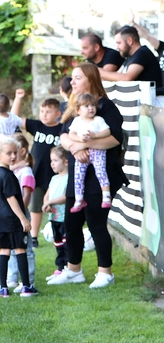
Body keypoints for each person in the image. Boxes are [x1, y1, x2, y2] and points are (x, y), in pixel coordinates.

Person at [49, 63, 124, 289]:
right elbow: (62, 135)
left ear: (90, 79)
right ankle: (74, 270)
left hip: (99, 177)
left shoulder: (105, 107)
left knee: (95, 223)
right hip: (77, 174)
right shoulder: (74, 106)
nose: (72, 82)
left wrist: (86, 144)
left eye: (77, 78)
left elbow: (115, 138)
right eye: (72, 78)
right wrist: (74, 148)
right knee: (72, 224)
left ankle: (105, 272)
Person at [12, 92, 61, 246]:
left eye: (49, 111)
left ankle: (59, 234)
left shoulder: (62, 129)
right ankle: (33, 237)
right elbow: (14, 119)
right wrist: (18, 99)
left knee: (56, 207)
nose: (44, 114)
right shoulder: (37, 126)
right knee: (36, 207)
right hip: (38, 174)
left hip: (56, 175)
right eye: (42, 111)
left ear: (58, 114)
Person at [63, 93, 112, 211]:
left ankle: (106, 196)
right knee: (78, 175)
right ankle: (79, 199)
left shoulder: (98, 120)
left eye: (93, 105)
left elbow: (107, 132)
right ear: (78, 110)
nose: (91, 108)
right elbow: (71, 134)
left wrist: (95, 135)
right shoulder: (77, 121)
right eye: (86, 106)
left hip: (97, 151)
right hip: (82, 152)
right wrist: (79, 139)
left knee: (101, 172)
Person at [0, 136, 34, 298]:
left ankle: (3, 288)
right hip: (13, 219)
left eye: (15, 152)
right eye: (8, 153)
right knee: (20, 249)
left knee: (4, 251)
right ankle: (26, 287)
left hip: (1, 221)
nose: (13, 156)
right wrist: (23, 218)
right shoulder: (7, 175)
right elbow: (11, 198)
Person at [98, 26, 162, 84]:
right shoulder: (130, 57)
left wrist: (98, 71)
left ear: (129, 40)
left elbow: (127, 78)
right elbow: (116, 76)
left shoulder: (142, 53)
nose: (117, 47)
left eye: (119, 43)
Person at [41, 146, 69, 280]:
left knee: (66, 242)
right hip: (54, 217)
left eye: (55, 160)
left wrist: (50, 202)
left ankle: (68, 266)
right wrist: (46, 203)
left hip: (65, 217)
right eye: (51, 160)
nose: (52, 164)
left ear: (66, 161)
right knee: (57, 242)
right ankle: (60, 267)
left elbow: (66, 196)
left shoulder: (69, 178)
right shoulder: (54, 179)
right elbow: (47, 195)